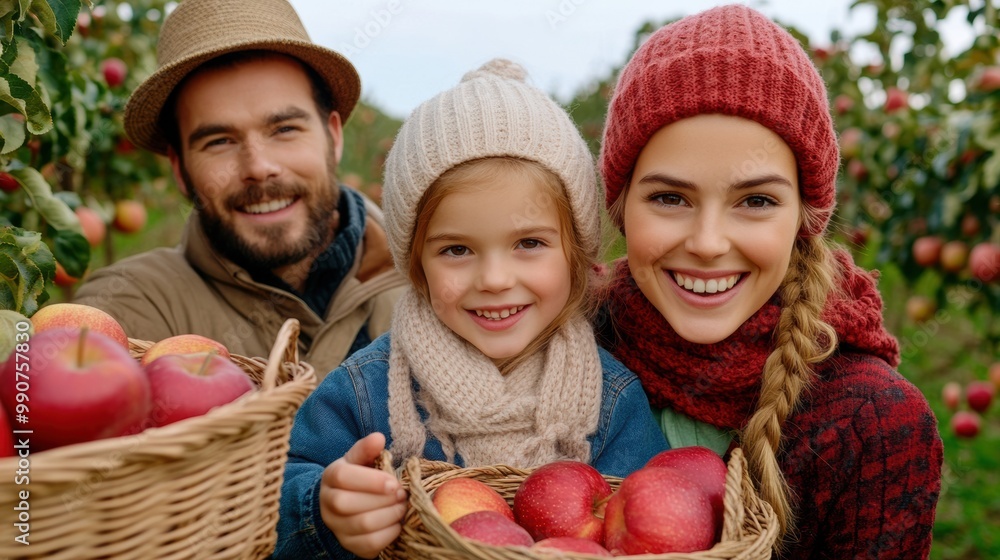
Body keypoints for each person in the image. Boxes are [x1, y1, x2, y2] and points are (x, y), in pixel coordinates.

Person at [274, 58, 669, 559]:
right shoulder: (366, 393)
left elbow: (653, 518)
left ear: (575, 253)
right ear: (416, 264)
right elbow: (273, 493)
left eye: (529, 243)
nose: (496, 280)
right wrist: (323, 508)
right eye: (456, 250)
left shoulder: (608, 404)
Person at [596, 5, 943, 559]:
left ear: (803, 220)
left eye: (755, 201)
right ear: (621, 209)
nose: (708, 242)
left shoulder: (871, 424)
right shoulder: (566, 347)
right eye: (669, 198)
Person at [73, 0, 405, 376]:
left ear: (332, 137)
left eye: (284, 130)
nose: (259, 168)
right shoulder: (134, 309)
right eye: (219, 141)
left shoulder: (432, 280)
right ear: (180, 168)